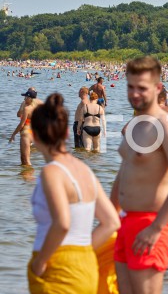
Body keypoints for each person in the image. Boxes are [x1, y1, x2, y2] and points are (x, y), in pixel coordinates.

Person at [111, 56, 168, 294]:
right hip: (124, 222)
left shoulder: (166, 125)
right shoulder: (136, 125)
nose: (135, 93)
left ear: (158, 89)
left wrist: (156, 227)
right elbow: (123, 174)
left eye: (142, 88)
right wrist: (109, 217)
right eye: (130, 86)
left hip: (151, 223)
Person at [28, 93, 120, 293]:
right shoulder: (84, 170)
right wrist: (84, 251)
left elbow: (62, 224)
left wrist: (39, 263)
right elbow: (112, 222)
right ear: (66, 134)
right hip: (86, 267)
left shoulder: (51, 172)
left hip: (57, 268)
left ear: (33, 135)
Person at [10, 89, 37, 165]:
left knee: (25, 160)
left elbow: (21, 124)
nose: (24, 99)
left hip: (25, 134)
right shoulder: (34, 107)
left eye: (25, 97)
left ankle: (28, 176)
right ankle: (25, 176)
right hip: (31, 132)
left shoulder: (27, 109)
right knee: (25, 159)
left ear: (30, 98)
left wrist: (13, 135)